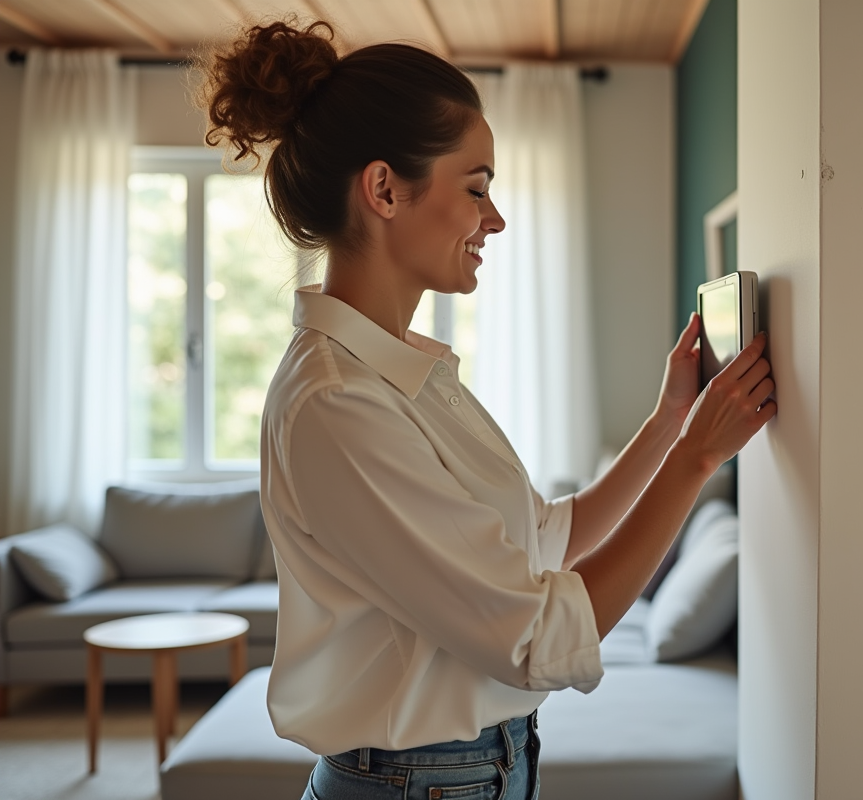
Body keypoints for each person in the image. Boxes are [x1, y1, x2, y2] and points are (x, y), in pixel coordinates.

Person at [198, 18, 776, 800]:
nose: (493, 219)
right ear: (383, 190)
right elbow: (538, 637)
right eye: (476, 188)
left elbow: (548, 538)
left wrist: (670, 421)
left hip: (474, 770)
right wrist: (696, 460)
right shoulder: (338, 404)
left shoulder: (403, 375)